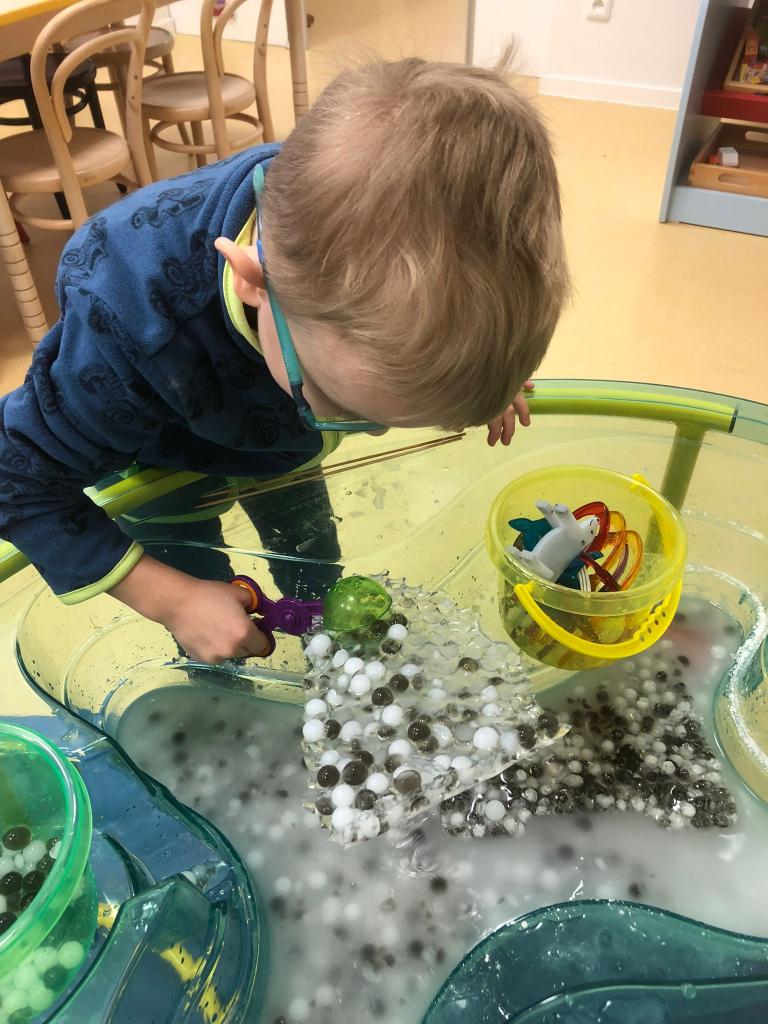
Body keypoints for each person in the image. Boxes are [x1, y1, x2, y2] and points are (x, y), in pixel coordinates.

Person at [0, 56, 569, 664]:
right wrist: (174, 600)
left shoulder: (335, 221)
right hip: (159, 452)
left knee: (309, 550)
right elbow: (17, 479)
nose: (374, 432)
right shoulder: (130, 330)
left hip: (273, 433)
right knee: (196, 576)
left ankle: (329, 637)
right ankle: (212, 668)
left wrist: (478, 384)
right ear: (252, 281)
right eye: (341, 405)